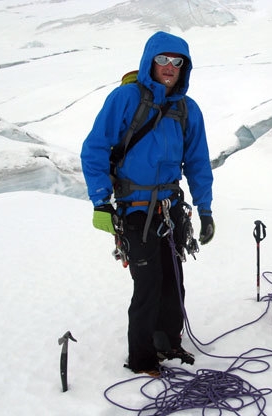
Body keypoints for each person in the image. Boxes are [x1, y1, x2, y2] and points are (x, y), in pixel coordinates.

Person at [81, 31, 214, 376]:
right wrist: (101, 200)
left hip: (170, 209)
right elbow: (94, 148)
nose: (169, 67)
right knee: (148, 284)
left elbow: (197, 162)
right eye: (163, 60)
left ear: (184, 67)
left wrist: (205, 209)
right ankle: (141, 358)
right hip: (135, 209)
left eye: (177, 62)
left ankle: (168, 342)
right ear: (150, 62)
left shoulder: (187, 109)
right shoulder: (126, 98)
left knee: (173, 281)